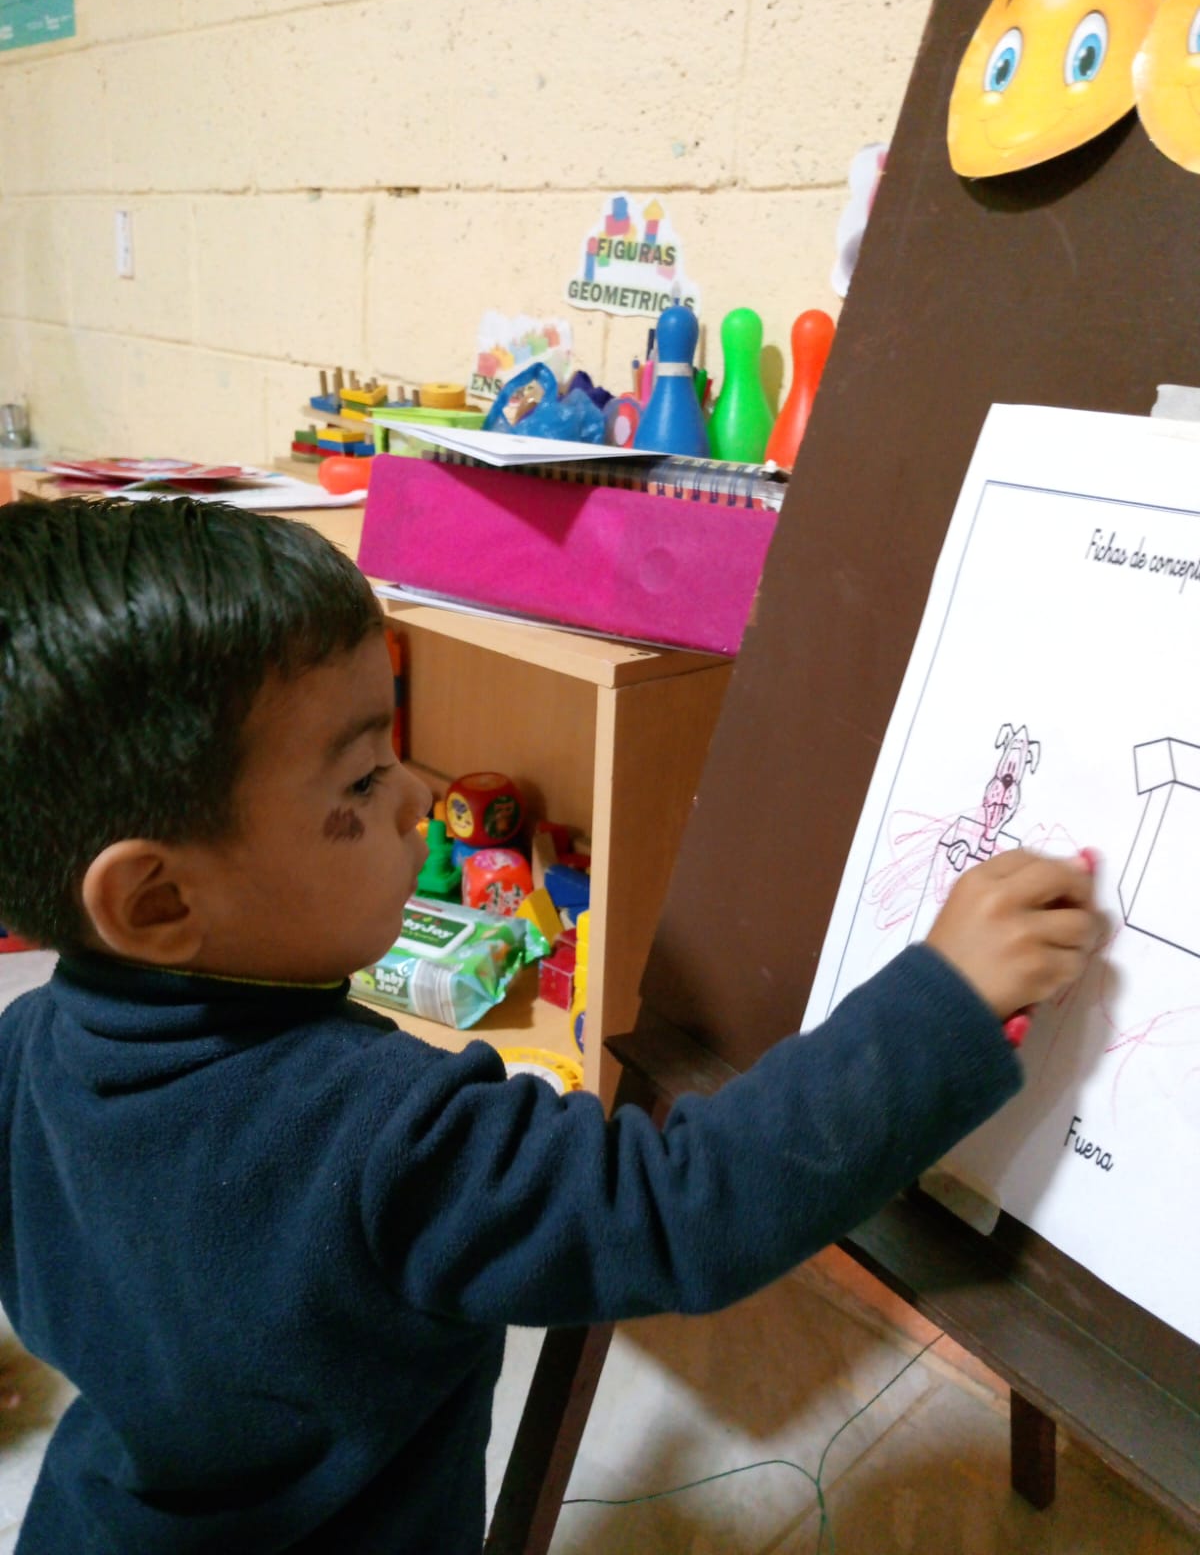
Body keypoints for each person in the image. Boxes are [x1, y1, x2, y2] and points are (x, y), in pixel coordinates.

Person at [0, 496, 1099, 1554]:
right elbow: (683, 1206)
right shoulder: (390, 1135)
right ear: (156, 900)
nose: (418, 796)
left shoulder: (20, 1049)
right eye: (363, 777)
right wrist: (943, 1001)